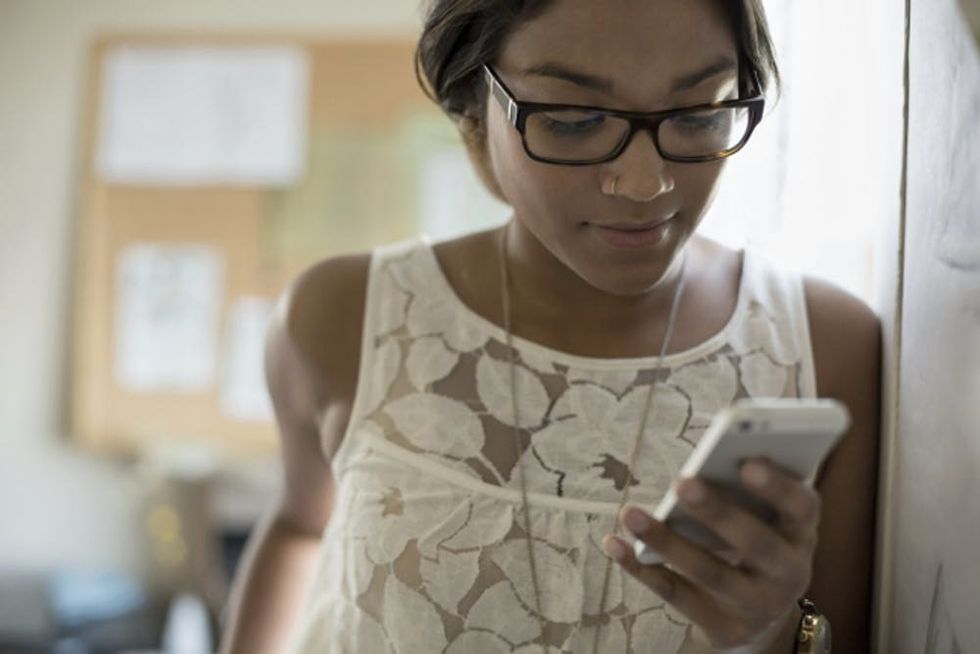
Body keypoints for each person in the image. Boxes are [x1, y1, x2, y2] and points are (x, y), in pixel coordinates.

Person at [220, 0, 881, 652]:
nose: (645, 183)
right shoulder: (344, 317)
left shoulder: (825, 349)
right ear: (473, 113)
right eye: (574, 120)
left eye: (699, 114)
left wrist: (773, 632)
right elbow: (300, 526)